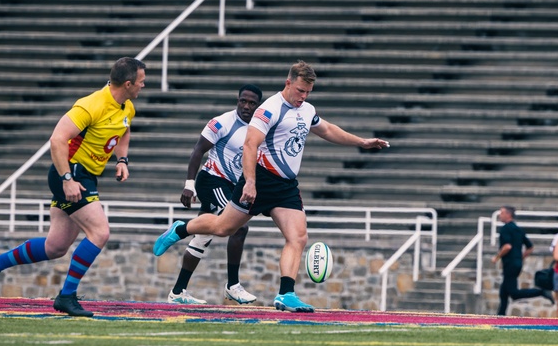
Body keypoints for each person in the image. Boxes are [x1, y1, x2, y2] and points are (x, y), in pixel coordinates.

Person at [151, 60, 389, 313]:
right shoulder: (269, 109)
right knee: (223, 227)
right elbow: (250, 145)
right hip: (261, 179)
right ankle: (182, 228)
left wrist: (361, 142)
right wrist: (250, 182)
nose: (303, 96)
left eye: (308, 92)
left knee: (297, 237)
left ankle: (286, 294)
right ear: (288, 83)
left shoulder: (307, 109)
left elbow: (328, 130)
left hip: (285, 186)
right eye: (299, 91)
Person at [0, 57, 147, 317]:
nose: (143, 86)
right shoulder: (91, 105)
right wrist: (67, 179)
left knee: (55, 246)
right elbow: (56, 140)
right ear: (127, 83)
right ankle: (66, 296)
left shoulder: (127, 107)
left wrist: (121, 160)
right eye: (141, 82)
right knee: (100, 233)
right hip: (71, 173)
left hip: (85, 175)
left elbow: (124, 130)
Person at [165, 84, 264, 305]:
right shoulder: (222, 122)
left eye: (251, 103)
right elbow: (198, 150)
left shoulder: (260, 129)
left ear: (258, 106)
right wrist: (189, 185)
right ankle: (233, 286)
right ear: (237, 100)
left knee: (203, 237)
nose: (246, 106)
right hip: (212, 180)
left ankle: (178, 292)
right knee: (239, 227)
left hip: (232, 186)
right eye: (243, 101)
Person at [490, 205, 553, 316]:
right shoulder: (518, 229)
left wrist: (497, 257)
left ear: (508, 214)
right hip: (517, 263)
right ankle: (500, 315)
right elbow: (530, 247)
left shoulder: (506, 228)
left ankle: (540, 291)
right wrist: (521, 257)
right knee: (503, 291)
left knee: (513, 293)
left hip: (510, 264)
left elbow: (507, 247)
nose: (500, 215)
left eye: (502, 212)